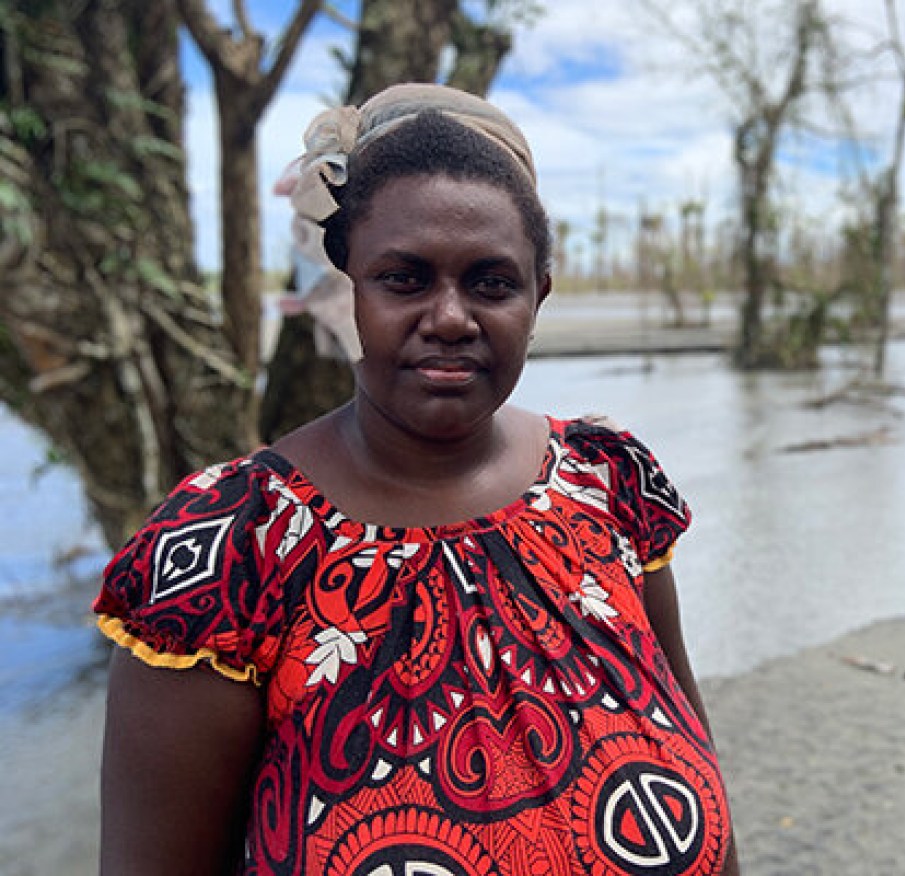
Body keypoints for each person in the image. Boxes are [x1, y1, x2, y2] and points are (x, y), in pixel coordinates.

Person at [95, 83, 737, 875]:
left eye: (491, 283)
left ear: (538, 294)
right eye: (403, 279)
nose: (449, 317)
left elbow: (696, 765)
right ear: (347, 288)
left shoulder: (608, 487)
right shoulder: (233, 550)